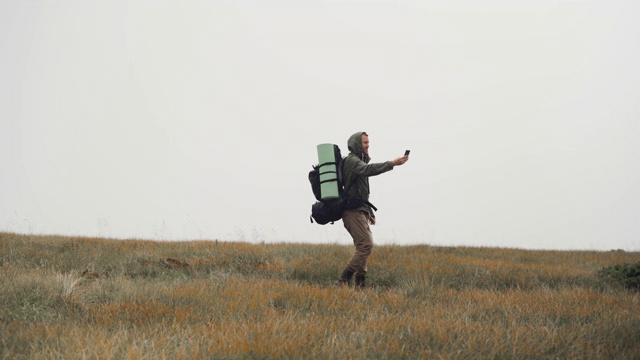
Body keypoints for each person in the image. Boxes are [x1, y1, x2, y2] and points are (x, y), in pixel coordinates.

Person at [335, 131, 409, 288]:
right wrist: (391, 163)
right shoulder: (353, 161)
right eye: (365, 143)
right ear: (356, 144)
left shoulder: (358, 161)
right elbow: (369, 170)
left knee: (363, 247)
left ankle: (360, 285)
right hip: (352, 212)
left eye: (368, 142)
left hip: (360, 210)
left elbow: (361, 191)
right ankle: (342, 281)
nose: (368, 145)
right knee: (366, 245)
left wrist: (369, 211)